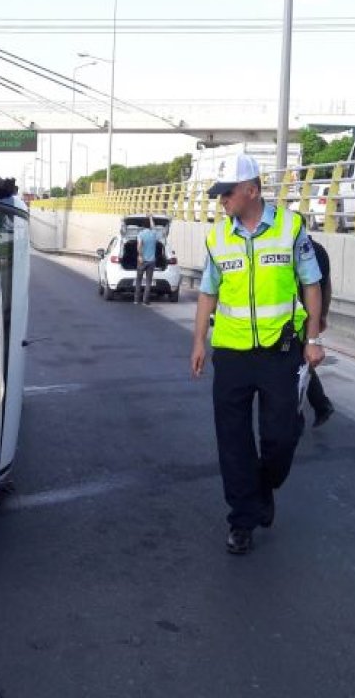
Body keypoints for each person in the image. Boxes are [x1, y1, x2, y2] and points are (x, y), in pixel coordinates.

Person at [189, 154, 325, 556]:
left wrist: (313, 339)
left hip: (279, 351)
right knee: (232, 441)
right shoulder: (217, 237)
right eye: (218, 195)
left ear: (251, 190)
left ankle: (265, 485)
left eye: (226, 193)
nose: (221, 201)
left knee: (280, 438)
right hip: (230, 353)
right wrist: (199, 341)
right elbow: (208, 292)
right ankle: (242, 520)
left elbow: (312, 284)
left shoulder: (290, 228)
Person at [304, 235, 334, 428]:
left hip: (299, 314)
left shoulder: (295, 250)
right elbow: (327, 287)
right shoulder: (320, 250)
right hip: (312, 314)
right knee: (301, 363)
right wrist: (323, 314)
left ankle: (321, 404)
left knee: (297, 363)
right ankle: (321, 404)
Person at [135, 221, 159, 305]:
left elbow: (139, 246)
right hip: (151, 261)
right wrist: (151, 218)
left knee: (138, 280)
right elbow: (154, 227)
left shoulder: (141, 234)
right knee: (148, 282)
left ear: (142, 226)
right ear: (150, 227)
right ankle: (145, 301)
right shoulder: (153, 234)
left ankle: (137, 300)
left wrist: (140, 256)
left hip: (142, 261)